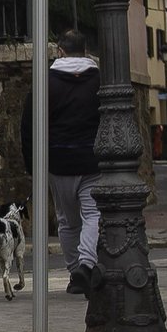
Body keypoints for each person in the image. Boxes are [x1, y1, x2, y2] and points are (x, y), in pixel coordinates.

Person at [21, 29, 101, 295]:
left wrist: (33, 166)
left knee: (67, 220)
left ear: (60, 51)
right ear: (86, 52)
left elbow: (29, 126)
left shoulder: (46, 82)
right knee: (93, 214)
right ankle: (86, 264)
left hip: (57, 162)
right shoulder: (99, 80)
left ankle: (75, 270)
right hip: (91, 160)